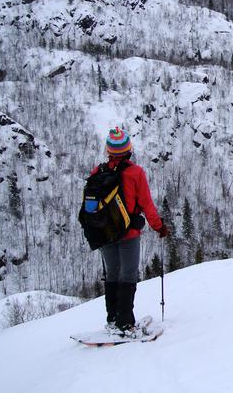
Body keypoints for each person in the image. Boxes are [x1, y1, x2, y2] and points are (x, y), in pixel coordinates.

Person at [92, 127, 168, 336]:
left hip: (106, 233)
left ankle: (113, 318)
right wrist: (158, 226)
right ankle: (125, 322)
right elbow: (146, 204)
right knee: (128, 275)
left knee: (112, 274)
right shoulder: (135, 173)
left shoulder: (98, 173)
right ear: (128, 150)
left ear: (109, 151)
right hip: (128, 233)